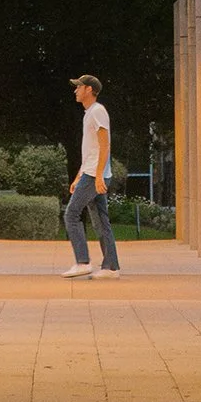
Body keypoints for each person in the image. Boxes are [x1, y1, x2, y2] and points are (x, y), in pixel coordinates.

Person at [62, 74, 120, 278]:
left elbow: (105, 146)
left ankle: (82, 262)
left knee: (71, 214)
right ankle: (111, 267)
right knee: (100, 221)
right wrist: (78, 177)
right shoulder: (90, 113)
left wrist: (97, 177)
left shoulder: (97, 112)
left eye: (78, 87)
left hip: (94, 174)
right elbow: (91, 151)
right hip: (91, 173)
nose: (75, 91)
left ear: (88, 89)